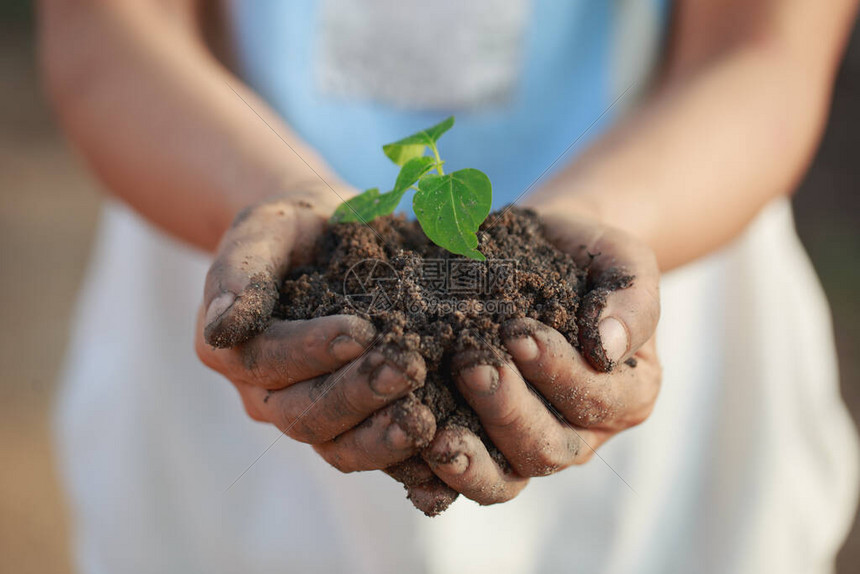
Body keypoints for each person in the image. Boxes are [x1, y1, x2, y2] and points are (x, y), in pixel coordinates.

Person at [41, 0, 859, 572]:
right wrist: (263, 190)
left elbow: (764, 46)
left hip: (675, 219)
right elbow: (106, 24)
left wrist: (602, 215)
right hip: (215, 209)